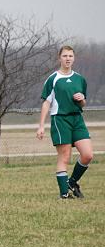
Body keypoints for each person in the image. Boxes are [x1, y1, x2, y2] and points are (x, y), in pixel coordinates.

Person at [36, 45, 93, 199]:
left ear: (74, 58)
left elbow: (83, 104)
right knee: (65, 157)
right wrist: (41, 126)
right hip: (60, 120)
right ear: (59, 58)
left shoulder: (80, 79)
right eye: (65, 56)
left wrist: (82, 100)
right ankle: (64, 194)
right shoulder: (53, 79)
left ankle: (72, 182)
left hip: (77, 119)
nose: (68, 59)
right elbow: (46, 103)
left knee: (87, 155)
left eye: (70, 56)